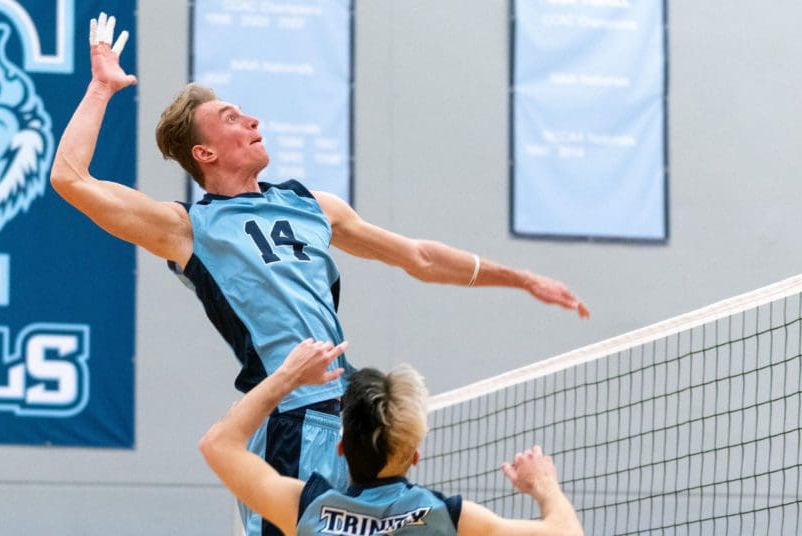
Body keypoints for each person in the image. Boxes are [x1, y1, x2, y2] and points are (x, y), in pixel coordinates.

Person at [50, 12, 590, 535]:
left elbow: (418, 257)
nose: (252, 120)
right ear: (204, 152)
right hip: (289, 413)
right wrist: (102, 88)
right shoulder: (188, 227)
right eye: (231, 118)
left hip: (353, 417)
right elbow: (70, 179)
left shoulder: (311, 206)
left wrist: (518, 278)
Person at [199, 339, 584, 536]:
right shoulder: (448, 518)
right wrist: (544, 486)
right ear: (414, 455)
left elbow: (219, 444)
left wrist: (289, 376)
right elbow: (567, 533)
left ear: (341, 448)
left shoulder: (307, 509)